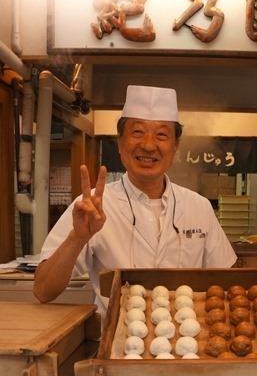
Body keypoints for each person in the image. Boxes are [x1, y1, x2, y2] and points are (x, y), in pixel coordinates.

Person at [33, 85, 237, 319]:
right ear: (120, 143)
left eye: (161, 135)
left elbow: (229, 286)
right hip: (115, 345)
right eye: (137, 132)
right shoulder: (91, 206)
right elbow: (43, 290)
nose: (149, 145)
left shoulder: (198, 207)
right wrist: (77, 238)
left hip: (189, 346)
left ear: (175, 146)